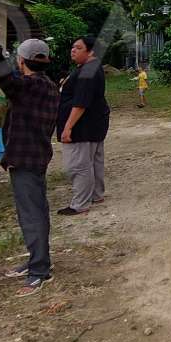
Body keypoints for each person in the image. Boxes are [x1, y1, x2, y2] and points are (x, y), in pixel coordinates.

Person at [0, 24, 59, 297]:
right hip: (35, 156)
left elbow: (5, 78)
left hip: (26, 159)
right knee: (35, 211)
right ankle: (35, 259)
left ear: (21, 61)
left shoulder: (27, 87)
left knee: (32, 214)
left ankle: (39, 270)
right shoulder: (47, 86)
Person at [56, 36, 110, 215]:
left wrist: (68, 127)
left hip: (83, 126)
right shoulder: (92, 69)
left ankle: (80, 203)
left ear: (91, 51)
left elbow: (80, 103)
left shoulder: (88, 71)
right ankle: (96, 194)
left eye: (78, 48)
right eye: (73, 47)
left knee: (79, 165)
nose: (73, 50)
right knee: (94, 161)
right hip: (95, 123)